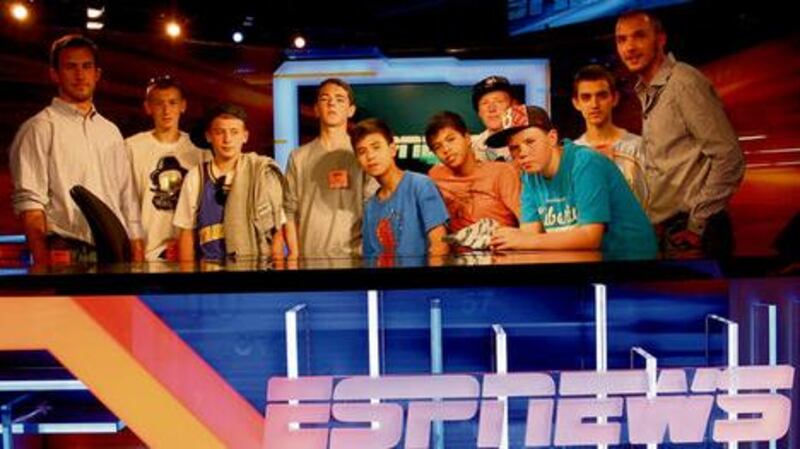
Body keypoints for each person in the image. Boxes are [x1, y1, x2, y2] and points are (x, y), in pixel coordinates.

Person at [615, 10, 744, 257]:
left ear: (660, 39)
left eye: (639, 36)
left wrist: (697, 225)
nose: (629, 47)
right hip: (671, 233)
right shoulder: (648, 90)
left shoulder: (683, 83)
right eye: (622, 40)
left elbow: (729, 158)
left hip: (695, 234)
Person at [9, 34, 143, 265]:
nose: (80, 75)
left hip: (117, 255)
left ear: (97, 74)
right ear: (54, 74)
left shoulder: (110, 131)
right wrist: (42, 266)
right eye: (71, 67)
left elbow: (127, 199)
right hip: (67, 254)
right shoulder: (39, 128)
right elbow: (31, 205)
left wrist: (136, 254)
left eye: (86, 66)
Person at [488, 105, 657, 260]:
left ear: (552, 138)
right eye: (514, 148)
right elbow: (529, 233)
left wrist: (522, 241)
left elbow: (591, 238)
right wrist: (506, 239)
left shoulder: (585, 162)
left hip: (630, 263)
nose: (522, 153)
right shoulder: (530, 176)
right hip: (581, 262)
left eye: (530, 142)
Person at [173, 104, 285, 261]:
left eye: (234, 132)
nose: (227, 139)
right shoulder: (196, 176)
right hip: (210, 270)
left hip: (254, 269)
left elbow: (277, 231)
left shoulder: (260, 172)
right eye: (220, 132)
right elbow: (186, 233)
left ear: (245, 136)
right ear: (208, 136)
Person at [283, 78, 377, 258]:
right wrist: (294, 255)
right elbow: (288, 211)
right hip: (309, 259)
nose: (332, 103)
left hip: (354, 260)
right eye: (325, 99)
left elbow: (373, 209)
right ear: (316, 109)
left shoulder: (363, 155)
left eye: (340, 99)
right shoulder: (298, 157)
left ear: (351, 110)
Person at [126, 75, 204, 261]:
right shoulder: (132, 147)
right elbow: (126, 202)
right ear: (148, 107)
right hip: (148, 253)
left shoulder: (199, 150)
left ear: (183, 106)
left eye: (172, 102)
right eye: (159, 103)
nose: (166, 110)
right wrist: (134, 243)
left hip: (191, 252)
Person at [351, 118, 449, 259]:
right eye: (362, 151)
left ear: (392, 150)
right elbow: (370, 257)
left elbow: (440, 246)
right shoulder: (370, 206)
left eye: (376, 147)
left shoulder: (421, 185)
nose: (370, 156)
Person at [425, 111, 520, 250]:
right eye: (437, 147)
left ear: (467, 138)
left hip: (501, 253)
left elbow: (528, 223)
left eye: (451, 139)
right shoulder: (434, 176)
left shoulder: (501, 172)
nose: (446, 149)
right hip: (456, 257)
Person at [571, 64, 648, 206]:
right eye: (586, 97)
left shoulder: (638, 146)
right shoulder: (571, 155)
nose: (594, 104)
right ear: (576, 103)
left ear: (614, 98)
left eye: (602, 95)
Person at [470, 76, 518, 162]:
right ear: (479, 113)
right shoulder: (470, 146)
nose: (491, 109)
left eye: (499, 101)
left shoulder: (528, 143)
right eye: (484, 103)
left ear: (513, 106)